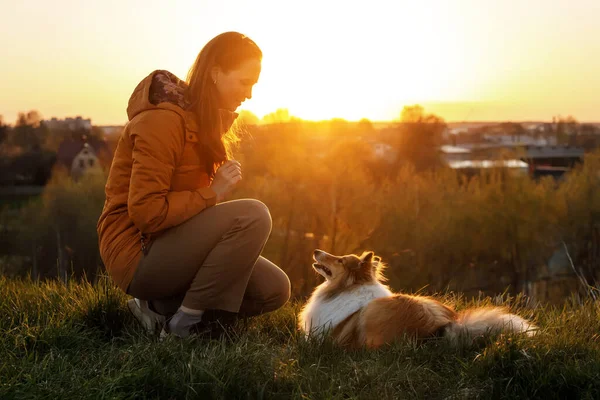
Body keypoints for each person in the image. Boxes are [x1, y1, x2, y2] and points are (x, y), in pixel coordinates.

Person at [96, 32, 291, 338]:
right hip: (138, 253)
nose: (250, 94)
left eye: (254, 84)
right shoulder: (162, 122)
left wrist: (208, 197)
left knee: (274, 289)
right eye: (244, 82)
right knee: (254, 215)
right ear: (215, 74)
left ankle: (158, 308)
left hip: (171, 242)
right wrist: (211, 193)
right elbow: (146, 213)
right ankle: (184, 325)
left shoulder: (203, 124)